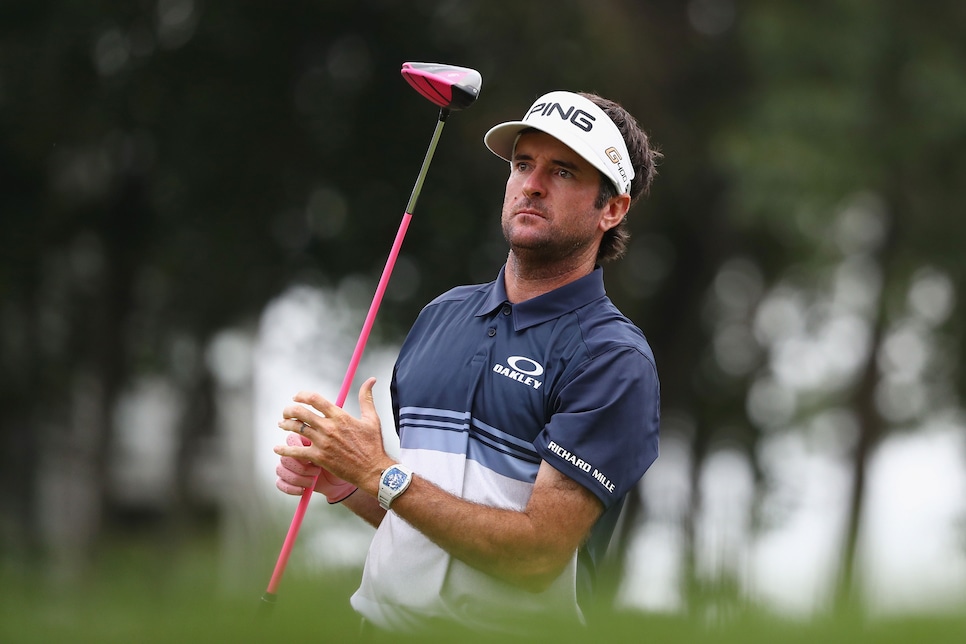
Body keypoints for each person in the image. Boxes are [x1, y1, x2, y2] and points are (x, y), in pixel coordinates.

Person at [273, 90, 662, 634]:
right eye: (523, 164)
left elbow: (534, 558)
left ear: (613, 208)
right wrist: (344, 480)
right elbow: (419, 516)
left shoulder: (611, 357)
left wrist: (375, 470)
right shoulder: (441, 316)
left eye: (564, 172)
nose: (533, 184)